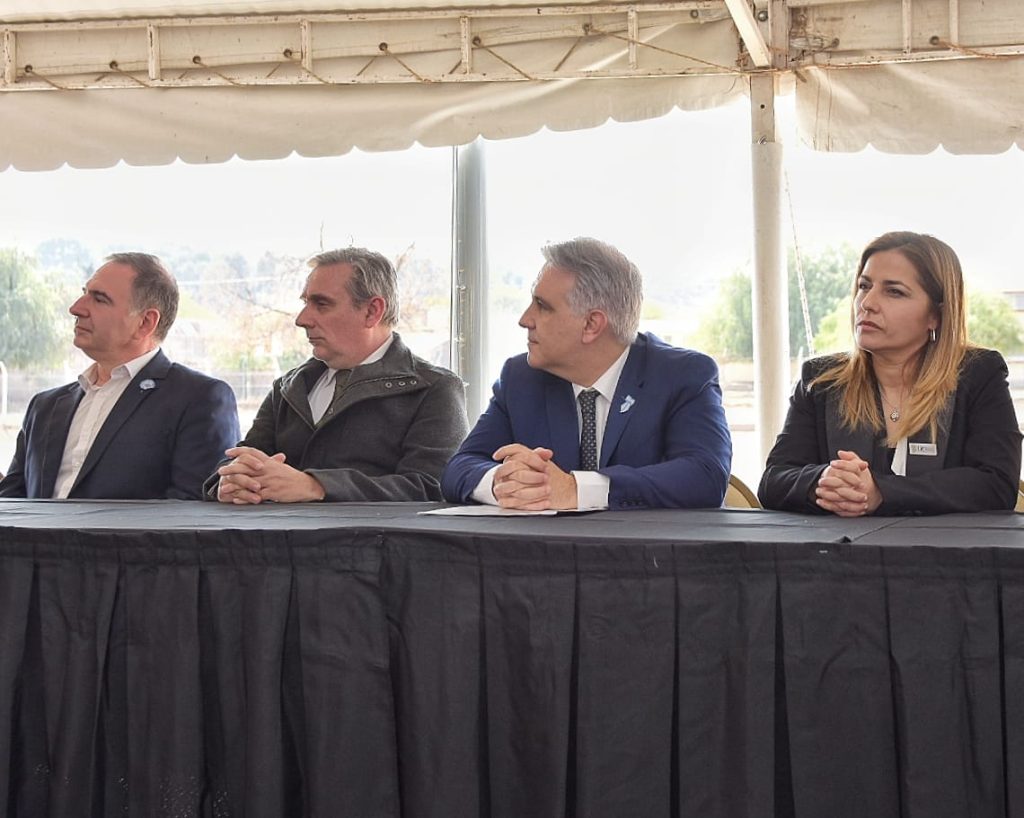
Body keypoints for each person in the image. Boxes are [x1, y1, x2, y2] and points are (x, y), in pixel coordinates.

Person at [441, 237, 732, 511]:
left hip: (648, 548)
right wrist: (503, 483)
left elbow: (705, 477)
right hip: (541, 548)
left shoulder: (682, 375)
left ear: (592, 324)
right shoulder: (521, 378)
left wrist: (577, 489)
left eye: (542, 306)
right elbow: (459, 468)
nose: (524, 319)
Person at [758, 231, 1022, 516]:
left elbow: (997, 486)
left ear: (936, 315)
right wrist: (822, 482)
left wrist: (882, 492)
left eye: (894, 291)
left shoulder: (979, 374)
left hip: (946, 546)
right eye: (864, 286)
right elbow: (773, 481)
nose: (867, 303)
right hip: (841, 546)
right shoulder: (821, 379)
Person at [207, 247, 468, 503]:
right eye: (305, 303)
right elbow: (242, 459)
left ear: (372, 311)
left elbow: (432, 488)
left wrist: (316, 486)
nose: (302, 319)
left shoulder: (434, 389)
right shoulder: (288, 388)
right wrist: (231, 481)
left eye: (321, 304)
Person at [0, 253, 239, 500]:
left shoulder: (199, 399)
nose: (76, 308)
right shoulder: (44, 406)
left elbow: (192, 513)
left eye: (99, 299)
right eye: (84, 293)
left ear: (145, 322)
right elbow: (11, 504)